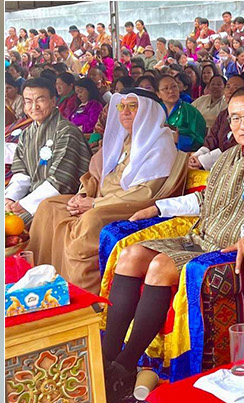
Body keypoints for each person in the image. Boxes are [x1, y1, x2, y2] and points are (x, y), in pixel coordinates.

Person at [105, 86, 244, 402]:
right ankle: (105, 358)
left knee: (161, 265)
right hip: (199, 238)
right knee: (130, 254)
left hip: (225, 250)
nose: (243, 125)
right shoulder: (227, 157)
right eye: (235, 118)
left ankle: (123, 366)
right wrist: (160, 207)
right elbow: (206, 199)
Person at [28, 90, 187, 295]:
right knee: (49, 206)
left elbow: (145, 194)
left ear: (149, 111)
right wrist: (83, 196)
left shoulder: (160, 144)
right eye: (122, 107)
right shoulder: (121, 141)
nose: (125, 112)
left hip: (127, 206)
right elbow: (95, 174)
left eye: (133, 106)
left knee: (91, 220)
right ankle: (43, 281)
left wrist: (95, 204)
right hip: (100, 200)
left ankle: (81, 295)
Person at [7, 78, 92, 224]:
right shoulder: (27, 133)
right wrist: (10, 198)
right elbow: (21, 172)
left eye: (40, 100)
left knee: (11, 227)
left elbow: (62, 180)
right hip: (32, 197)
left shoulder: (66, 132)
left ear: (53, 101)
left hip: (60, 200)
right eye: (28, 101)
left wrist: (25, 204)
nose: (34, 107)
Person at [156, 74, 206, 151]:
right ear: (158, 94)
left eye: (174, 86)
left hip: (182, 156)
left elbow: (200, 139)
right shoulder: (155, 111)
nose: (171, 91)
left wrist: (179, 139)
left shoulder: (190, 111)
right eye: (166, 88)